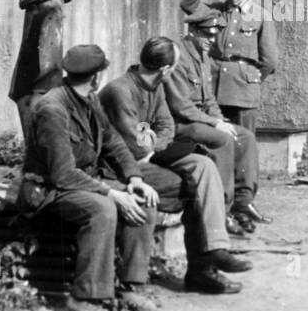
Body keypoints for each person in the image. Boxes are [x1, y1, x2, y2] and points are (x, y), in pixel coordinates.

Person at [99, 37, 252, 294]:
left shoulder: (155, 86)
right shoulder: (120, 91)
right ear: (165, 70)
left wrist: (154, 144)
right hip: (121, 166)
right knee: (192, 186)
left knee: (203, 164)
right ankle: (201, 270)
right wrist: (152, 142)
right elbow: (134, 141)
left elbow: (166, 125)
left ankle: (215, 249)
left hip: (150, 157)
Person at [22, 44, 161, 311]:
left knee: (143, 202)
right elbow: (63, 175)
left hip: (83, 183)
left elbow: (113, 143)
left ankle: (131, 286)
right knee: (103, 209)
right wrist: (112, 192)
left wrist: (134, 179)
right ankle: (84, 298)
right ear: (97, 76)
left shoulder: (89, 100)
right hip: (49, 191)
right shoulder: (52, 108)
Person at [165, 8, 265, 234]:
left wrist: (220, 119)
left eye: (214, 35)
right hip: (180, 123)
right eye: (207, 34)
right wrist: (214, 124)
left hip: (201, 119)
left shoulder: (203, 56)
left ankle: (243, 202)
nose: (212, 40)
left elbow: (209, 98)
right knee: (222, 140)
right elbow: (181, 106)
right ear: (191, 31)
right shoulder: (178, 58)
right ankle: (223, 209)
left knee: (244, 136)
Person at [179, 0, 279, 137]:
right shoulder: (215, 11)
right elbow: (188, 5)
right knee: (213, 142)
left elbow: (269, 60)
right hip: (212, 90)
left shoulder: (261, 16)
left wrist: (251, 78)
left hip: (243, 93)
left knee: (242, 142)